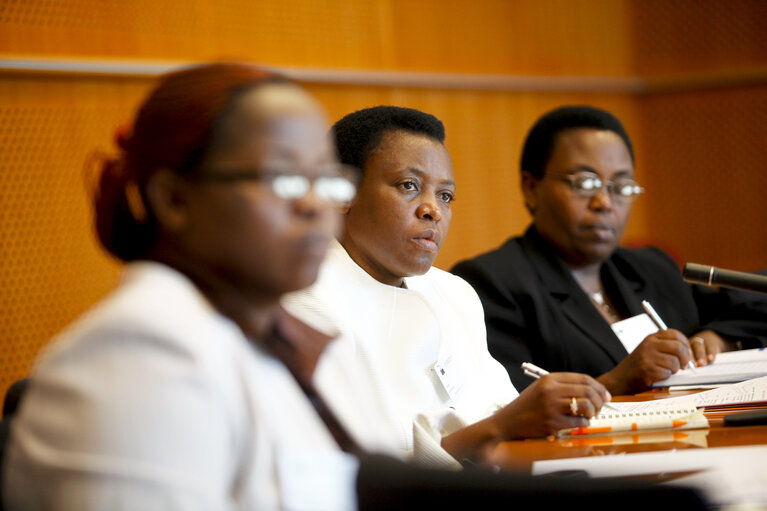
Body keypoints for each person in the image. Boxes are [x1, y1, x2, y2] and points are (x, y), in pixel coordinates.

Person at [1, 62, 398, 510]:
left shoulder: (304, 339)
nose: (314, 205)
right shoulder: (141, 352)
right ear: (173, 199)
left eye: (327, 180)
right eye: (282, 178)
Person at [282, 105, 613, 468]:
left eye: (445, 196)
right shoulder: (302, 303)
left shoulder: (454, 292)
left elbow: (501, 412)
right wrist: (500, 428)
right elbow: (344, 473)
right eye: (409, 186)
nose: (433, 211)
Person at [451, 105, 767, 396]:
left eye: (621, 187)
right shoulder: (487, 284)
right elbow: (502, 405)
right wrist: (615, 382)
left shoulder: (650, 267)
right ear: (531, 189)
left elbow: (756, 305)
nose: (604, 203)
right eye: (585, 184)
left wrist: (716, 339)